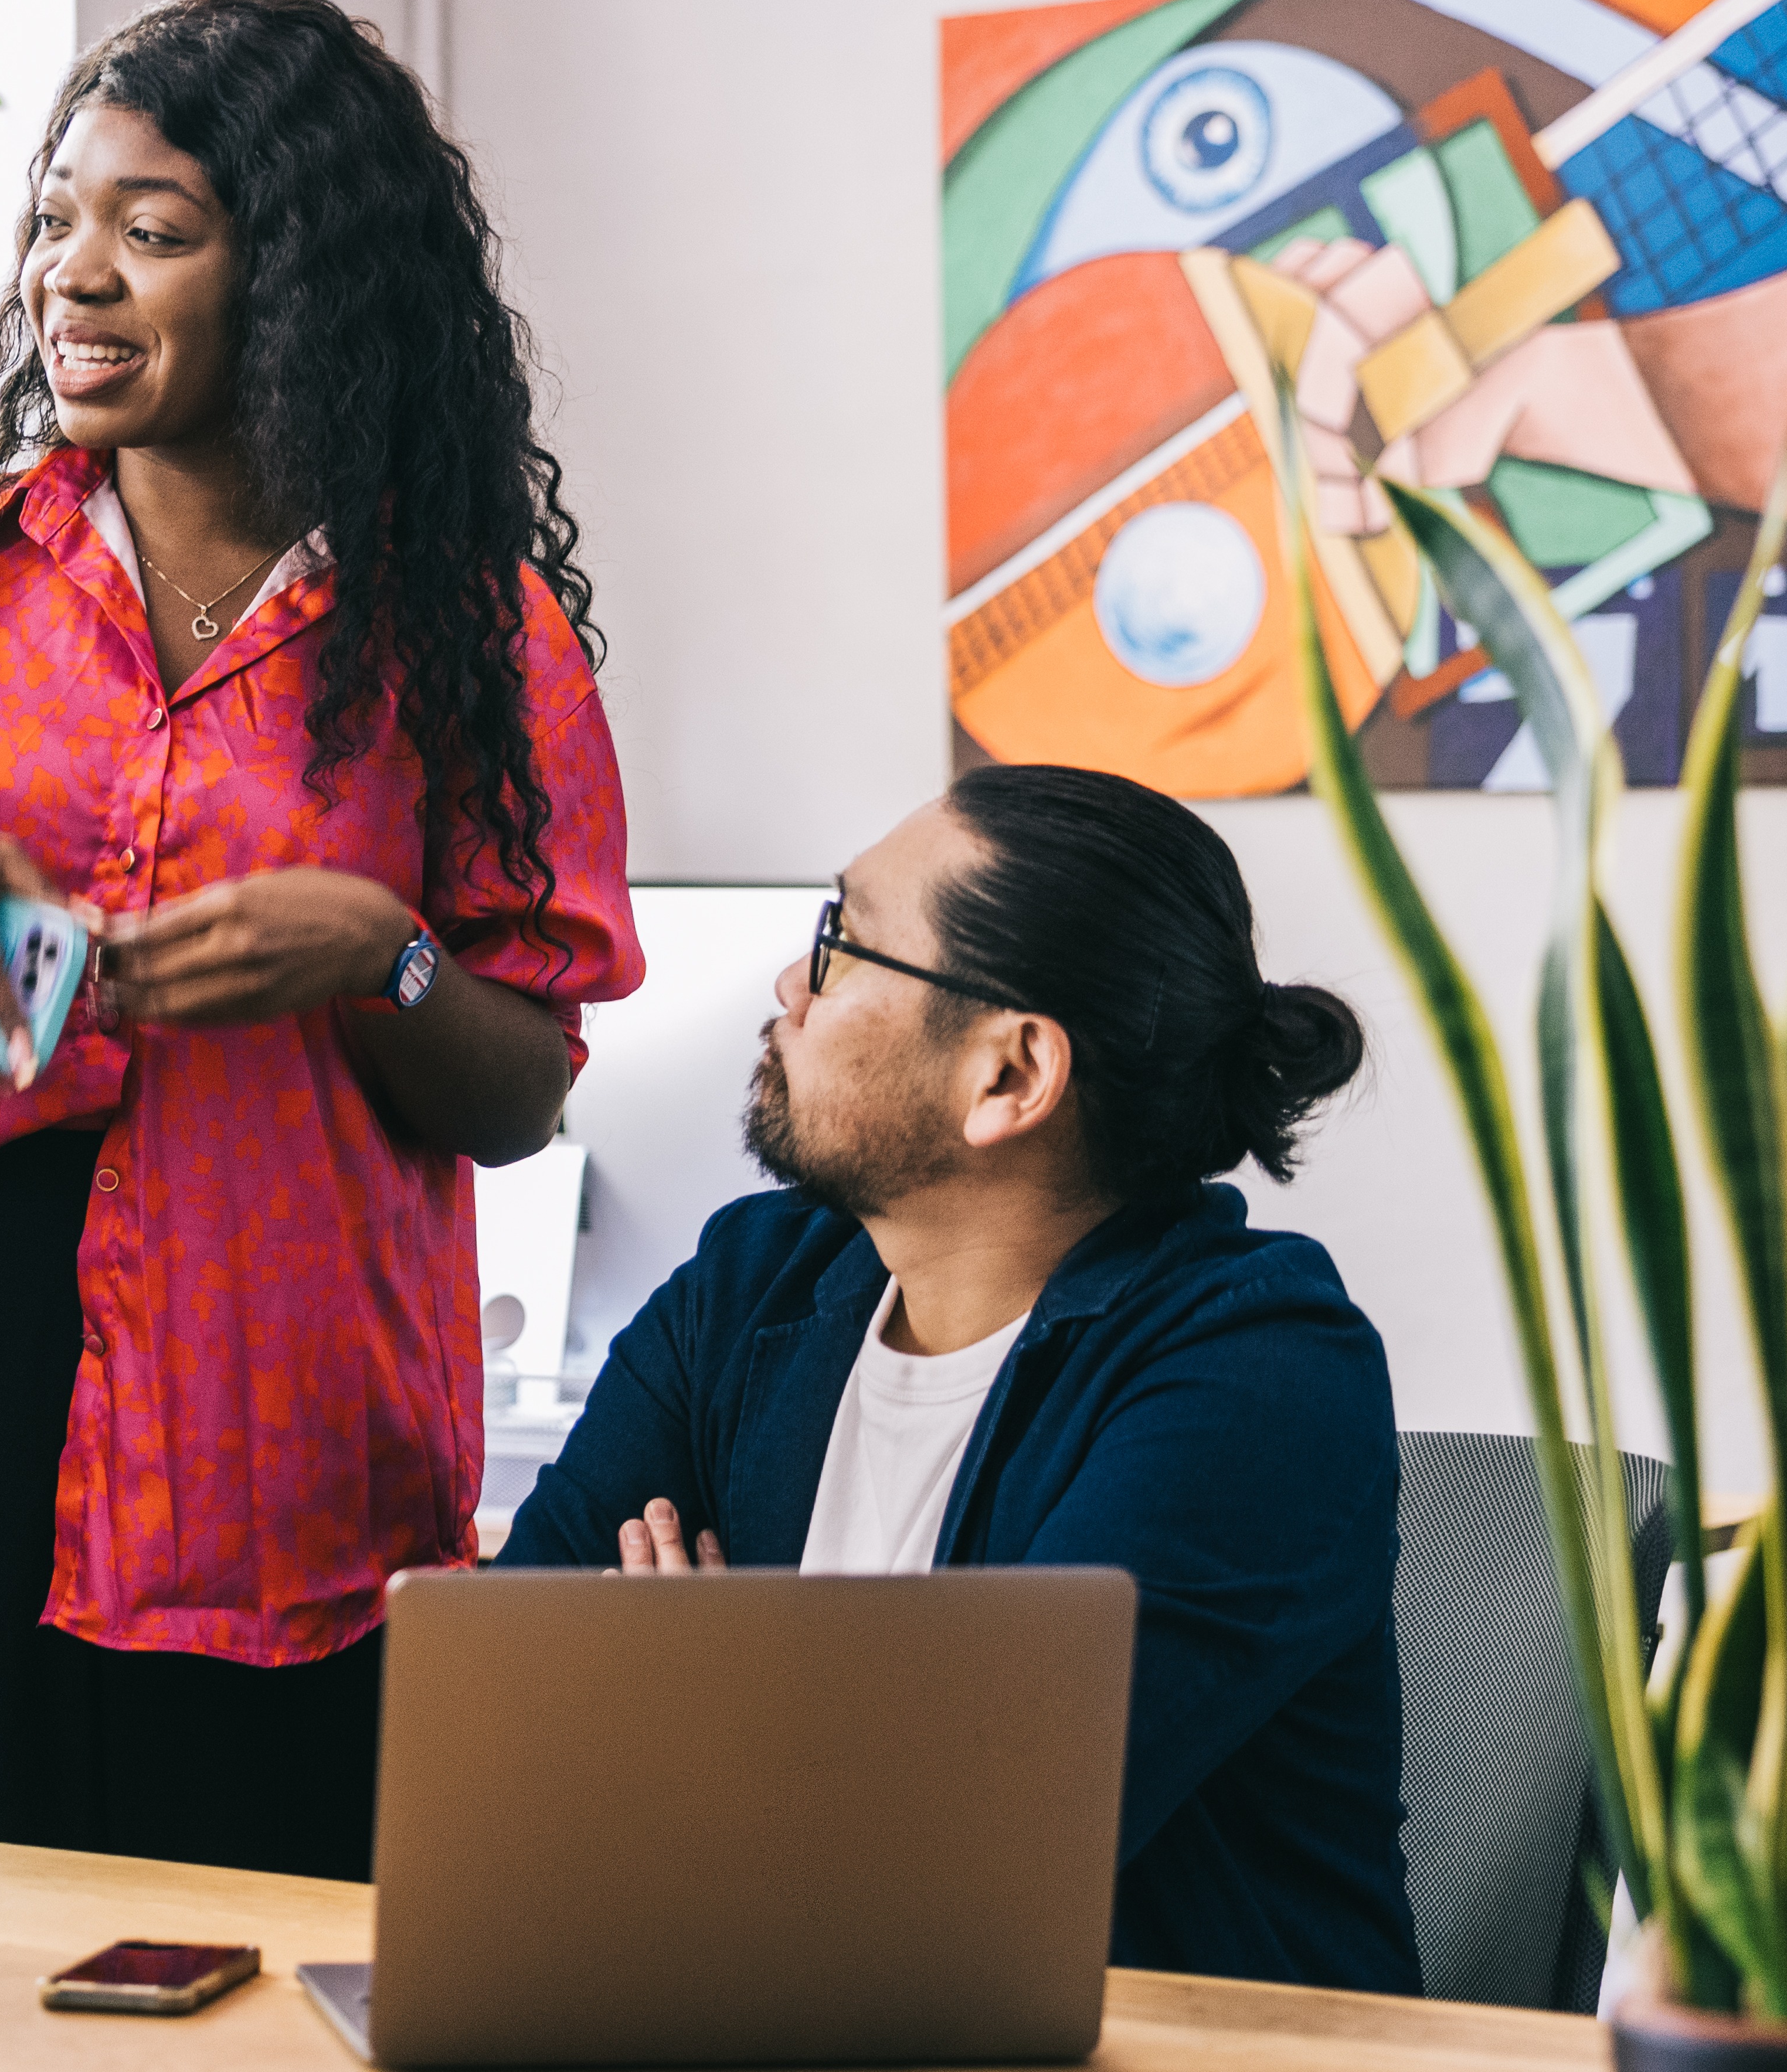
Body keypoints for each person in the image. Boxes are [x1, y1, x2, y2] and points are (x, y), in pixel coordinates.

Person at [0, 0, 643, 1884]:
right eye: (58, 221)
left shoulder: (469, 640)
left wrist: (374, 951)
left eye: (152, 232)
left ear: (300, 277)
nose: (75, 275)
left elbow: (520, 1090)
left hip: (285, 1395)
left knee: (255, 1950)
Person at [498, 764, 1420, 1995]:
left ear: (1009, 1076)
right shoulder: (749, 1288)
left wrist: (693, 1713)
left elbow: (966, 1857)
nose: (789, 986)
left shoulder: (1262, 1377)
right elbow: (502, 1709)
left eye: (839, 945)